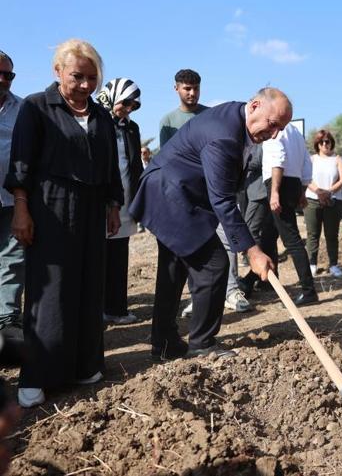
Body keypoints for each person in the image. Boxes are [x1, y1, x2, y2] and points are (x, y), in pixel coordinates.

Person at [129, 87, 290, 362]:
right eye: (272, 124)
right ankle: (202, 344)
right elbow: (224, 200)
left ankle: (164, 343)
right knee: (214, 264)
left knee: (174, 268)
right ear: (254, 106)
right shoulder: (224, 137)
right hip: (170, 193)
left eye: (280, 129)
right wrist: (253, 252)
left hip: (170, 190)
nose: (273, 134)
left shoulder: (238, 118)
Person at [5, 39, 123, 408]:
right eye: (78, 77)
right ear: (58, 72)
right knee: (50, 290)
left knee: (89, 284)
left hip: (91, 208)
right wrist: (21, 209)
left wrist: (112, 204)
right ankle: (37, 375)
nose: (86, 85)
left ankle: (85, 364)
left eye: (93, 78)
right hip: (50, 205)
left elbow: (108, 165)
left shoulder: (101, 116)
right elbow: (21, 164)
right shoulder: (36, 108)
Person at [96, 78, 144, 325]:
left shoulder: (132, 128)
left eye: (134, 105)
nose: (128, 108)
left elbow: (134, 165)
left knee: (118, 255)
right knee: (98, 256)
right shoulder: (96, 122)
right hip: (99, 201)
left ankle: (116, 308)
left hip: (124, 201)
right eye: (125, 102)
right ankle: (97, 309)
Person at [261, 123, 317, 305]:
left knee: (291, 239)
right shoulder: (295, 131)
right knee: (268, 234)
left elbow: (278, 159)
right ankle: (260, 281)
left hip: (279, 183)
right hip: (293, 183)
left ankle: (309, 291)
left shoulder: (273, 128)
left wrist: (275, 192)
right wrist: (301, 190)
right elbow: (306, 161)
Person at [0, 51, 24, 348]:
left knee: (13, 260)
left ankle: (7, 320)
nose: (3, 79)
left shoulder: (23, 109)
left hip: (12, 199)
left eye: (9, 75)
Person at [304, 130, 342, 278]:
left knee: (332, 234)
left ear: (331, 142)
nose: (325, 144)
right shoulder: (311, 159)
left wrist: (328, 192)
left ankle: (333, 264)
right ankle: (312, 265)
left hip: (333, 201)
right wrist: (319, 192)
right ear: (317, 144)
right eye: (321, 142)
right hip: (312, 200)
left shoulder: (337, 159)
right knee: (313, 234)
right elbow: (307, 178)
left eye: (327, 141)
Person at [159, 69, 208, 148]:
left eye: (196, 88)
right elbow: (165, 158)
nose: (192, 93)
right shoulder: (168, 121)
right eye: (187, 89)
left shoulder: (212, 114)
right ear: (176, 88)